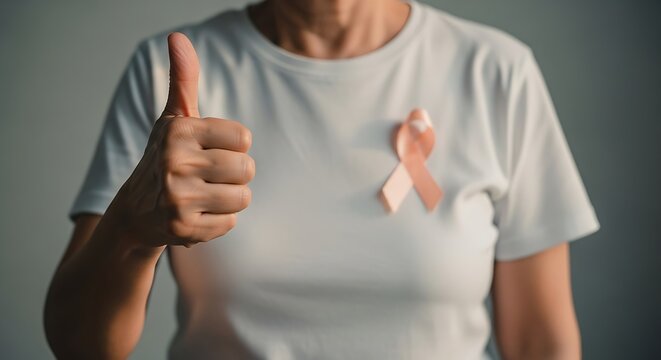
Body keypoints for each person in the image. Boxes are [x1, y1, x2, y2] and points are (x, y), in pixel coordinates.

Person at [43, 0, 601, 359]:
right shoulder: (171, 75)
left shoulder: (497, 72)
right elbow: (79, 345)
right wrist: (129, 233)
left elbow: (541, 341)